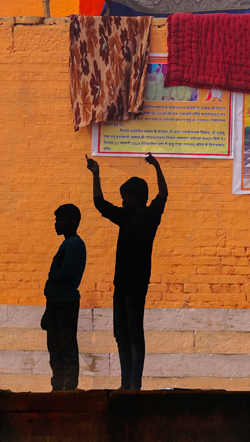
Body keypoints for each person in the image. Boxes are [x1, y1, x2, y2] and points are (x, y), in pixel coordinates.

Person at [89, 152, 168, 391]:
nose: (122, 202)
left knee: (133, 333)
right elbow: (100, 204)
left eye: (124, 198)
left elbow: (163, 194)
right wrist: (96, 174)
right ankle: (126, 383)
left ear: (134, 198)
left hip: (135, 283)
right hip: (122, 282)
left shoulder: (149, 217)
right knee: (121, 332)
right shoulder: (126, 217)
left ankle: (134, 383)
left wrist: (157, 167)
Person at [42, 203, 86, 392]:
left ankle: (69, 387)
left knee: (66, 345)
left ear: (73, 222)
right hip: (54, 301)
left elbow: (65, 272)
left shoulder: (75, 244)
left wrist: (52, 275)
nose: (56, 224)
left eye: (60, 220)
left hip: (65, 302)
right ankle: (57, 384)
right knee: (54, 347)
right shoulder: (67, 244)